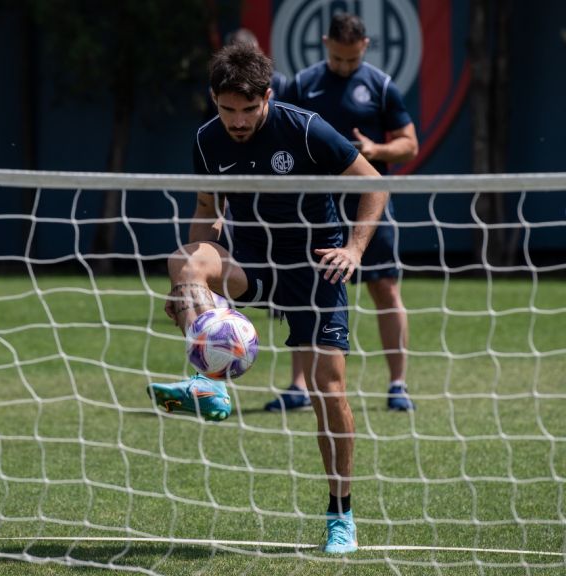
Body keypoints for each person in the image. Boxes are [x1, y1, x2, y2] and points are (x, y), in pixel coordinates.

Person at [147, 42, 388, 553]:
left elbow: (375, 182)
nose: (236, 121)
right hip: (252, 263)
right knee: (181, 261)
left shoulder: (304, 128)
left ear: (267, 98)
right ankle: (209, 381)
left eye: (248, 110)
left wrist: (354, 248)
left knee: (329, 389)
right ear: (214, 100)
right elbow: (208, 209)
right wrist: (190, 288)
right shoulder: (208, 140)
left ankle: (339, 515)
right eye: (226, 109)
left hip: (313, 267)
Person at [264, 12, 419, 414]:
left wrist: (376, 152)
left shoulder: (381, 86)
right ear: (324, 44)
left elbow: (409, 144)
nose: (345, 66)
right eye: (337, 59)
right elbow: (282, 135)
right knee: (305, 296)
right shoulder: (303, 84)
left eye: (351, 60)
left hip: (368, 203)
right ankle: (298, 386)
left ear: (365, 46)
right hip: (313, 208)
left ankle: (398, 385)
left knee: (385, 289)